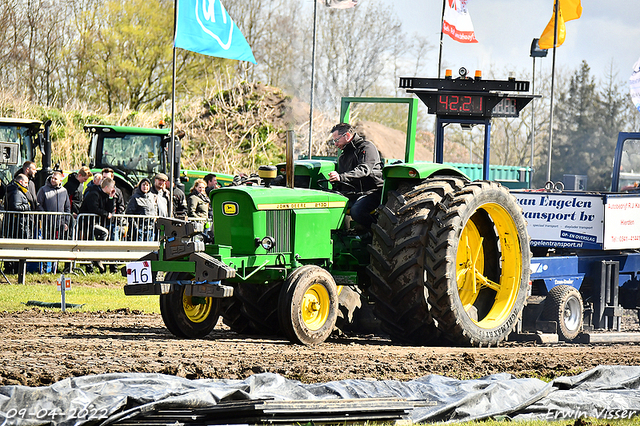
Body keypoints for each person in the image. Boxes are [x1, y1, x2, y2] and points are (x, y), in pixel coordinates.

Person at [328, 123, 384, 229]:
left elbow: (364, 170)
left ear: (347, 136)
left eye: (336, 140)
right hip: (352, 193)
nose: (335, 144)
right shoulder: (343, 157)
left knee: (357, 211)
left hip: (371, 192)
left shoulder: (367, 148)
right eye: (333, 141)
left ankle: (375, 235)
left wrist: (341, 177)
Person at [36, 171, 71, 240]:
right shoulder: (43, 190)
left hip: (61, 222)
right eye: (52, 178)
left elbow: (67, 207)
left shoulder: (64, 191)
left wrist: (66, 222)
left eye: (55, 179)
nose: (53, 180)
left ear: (60, 181)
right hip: (48, 222)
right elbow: (38, 204)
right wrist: (45, 215)